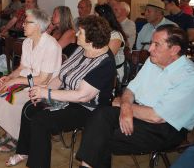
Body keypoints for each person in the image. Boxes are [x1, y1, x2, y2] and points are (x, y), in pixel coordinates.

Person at [76, 25, 194, 168]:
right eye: (151, 43)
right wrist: (126, 106)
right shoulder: (153, 61)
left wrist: (125, 106)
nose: (150, 49)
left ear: (174, 49)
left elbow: (157, 116)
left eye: (156, 44)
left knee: (99, 135)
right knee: (100, 116)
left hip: (166, 128)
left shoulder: (188, 77)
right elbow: (130, 89)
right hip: (137, 112)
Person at [6, 15, 116, 167]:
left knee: (41, 121)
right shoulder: (81, 49)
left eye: (81, 33)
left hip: (89, 109)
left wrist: (46, 94)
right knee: (30, 108)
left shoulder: (105, 62)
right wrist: (43, 91)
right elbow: (62, 76)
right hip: (68, 97)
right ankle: (25, 150)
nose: (76, 34)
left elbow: (82, 96)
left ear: (92, 38)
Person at [0, 9, 61, 153]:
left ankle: (18, 138)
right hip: (26, 81)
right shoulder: (27, 42)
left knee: (10, 100)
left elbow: (43, 78)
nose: (22, 24)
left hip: (42, 87)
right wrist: (10, 77)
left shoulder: (51, 46)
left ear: (37, 25)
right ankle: (11, 132)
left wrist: (16, 80)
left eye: (26, 22)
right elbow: (22, 67)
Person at [95, 4, 127, 82]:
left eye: (96, 17)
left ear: (103, 19)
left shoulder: (115, 36)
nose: (93, 20)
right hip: (99, 68)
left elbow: (106, 58)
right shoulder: (99, 32)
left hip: (114, 73)